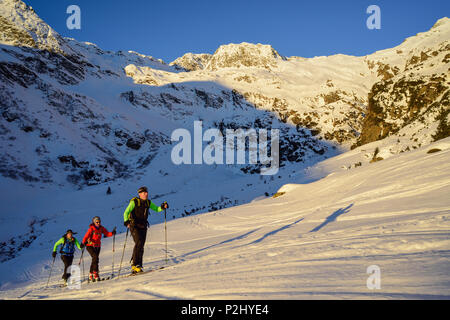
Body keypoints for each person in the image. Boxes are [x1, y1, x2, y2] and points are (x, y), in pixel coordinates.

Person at [123, 186, 169, 273]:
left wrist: (163, 207)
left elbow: (156, 209)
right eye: (144, 192)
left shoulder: (148, 202)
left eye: (146, 192)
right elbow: (126, 212)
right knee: (139, 242)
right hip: (134, 225)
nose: (146, 194)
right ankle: (134, 264)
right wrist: (126, 222)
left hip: (143, 226)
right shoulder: (134, 202)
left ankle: (139, 265)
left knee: (141, 245)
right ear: (139, 194)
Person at [82, 216, 116, 282]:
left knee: (95, 259)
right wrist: (83, 243)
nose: (98, 223)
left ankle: (90, 274)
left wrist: (112, 233)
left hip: (98, 246)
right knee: (95, 257)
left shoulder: (101, 228)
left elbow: (107, 233)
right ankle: (95, 273)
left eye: (99, 222)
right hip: (90, 245)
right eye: (97, 222)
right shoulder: (91, 229)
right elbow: (86, 236)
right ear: (94, 222)